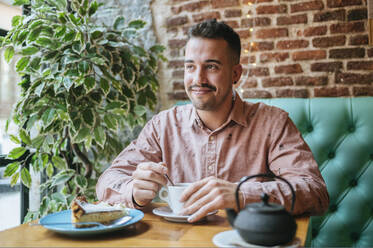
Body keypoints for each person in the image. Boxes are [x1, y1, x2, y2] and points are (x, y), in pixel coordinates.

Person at [96, 19, 329, 223]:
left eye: (211, 66)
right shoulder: (163, 125)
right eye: (190, 67)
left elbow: (315, 192)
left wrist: (240, 195)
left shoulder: (272, 123)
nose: (198, 79)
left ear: (236, 74)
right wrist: (134, 192)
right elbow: (107, 181)